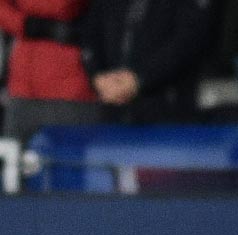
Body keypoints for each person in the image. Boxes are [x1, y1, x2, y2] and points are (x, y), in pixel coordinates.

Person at [78, 0, 214, 124]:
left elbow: (188, 42)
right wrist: (97, 77)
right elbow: (90, 35)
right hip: (111, 107)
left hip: (167, 109)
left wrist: (139, 79)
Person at [0, 0, 100, 146]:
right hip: (22, 83)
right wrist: (23, 24)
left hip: (69, 83)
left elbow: (63, 6)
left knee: (67, 160)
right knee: (13, 160)